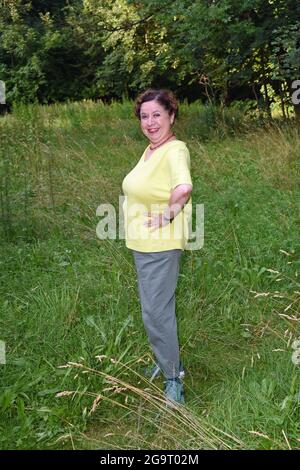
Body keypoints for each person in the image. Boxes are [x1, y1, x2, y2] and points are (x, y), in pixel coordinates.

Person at [122, 89, 193, 405]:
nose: (150, 122)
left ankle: (173, 378)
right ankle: (167, 361)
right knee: (155, 309)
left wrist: (168, 213)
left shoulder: (174, 150)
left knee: (155, 313)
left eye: (157, 115)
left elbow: (183, 187)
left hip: (160, 245)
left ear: (171, 116)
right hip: (144, 245)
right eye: (144, 116)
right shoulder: (151, 150)